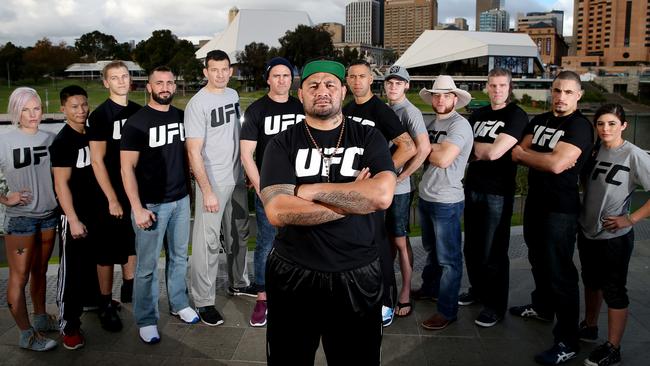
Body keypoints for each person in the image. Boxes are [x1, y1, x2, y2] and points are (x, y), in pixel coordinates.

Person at [260, 60, 396, 365]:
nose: (322, 91)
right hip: (294, 271)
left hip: (357, 270)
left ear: (343, 91)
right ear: (302, 93)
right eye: (313, 85)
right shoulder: (282, 143)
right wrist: (353, 200)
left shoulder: (368, 137)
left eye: (330, 84)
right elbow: (278, 211)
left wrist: (308, 191)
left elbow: (382, 195)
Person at [510, 70, 594, 365]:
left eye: (568, 92)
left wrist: (529, 156)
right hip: (536, 203)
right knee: (537, 258)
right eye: (557, 91)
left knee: (561, 272)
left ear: (579, 95)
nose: (561, 97)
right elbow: (516, 152)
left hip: (561, 209)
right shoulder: (540, 120)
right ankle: (543, 307)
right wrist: (536, 157)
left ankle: (567, 340)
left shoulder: (581, 126)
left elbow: (557, 164)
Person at [120, 66, 199, 344]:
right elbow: (126, 169)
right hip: (150, 205)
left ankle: (179, 304)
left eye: (169, 82)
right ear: (149, 87)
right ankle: (146, 318)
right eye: (159, 83)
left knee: (179, 258)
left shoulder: (181, 117)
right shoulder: (136, 123)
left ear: (174, 86)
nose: (165, 86)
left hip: (179, 201)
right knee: (147, 266)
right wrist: (137, 208)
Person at [343, 59, 416, 326]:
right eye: (352, 76)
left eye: (362, 76)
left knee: (379, 244)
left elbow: (408, 147)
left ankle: (386, 301)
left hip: (371, 189)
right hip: (350, 189)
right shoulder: (347, 109)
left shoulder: (381, 111)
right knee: (354, 243)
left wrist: (380, 172)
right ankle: (356, 296)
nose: (357, 81)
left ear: (371, 79)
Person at [577, 104, 650, 366]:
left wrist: (629, 219)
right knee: (591, 281)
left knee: (614, 290)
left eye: (611, 123)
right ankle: (589, 325)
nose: (605, 128)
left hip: (614, 237)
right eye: (600, 124)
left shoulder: (634, 155)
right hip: (588, 231)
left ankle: (613, 347)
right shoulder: (595, 150)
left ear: (623, 125)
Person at [185, 49, 253, 327]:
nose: (221, 74)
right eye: (215, 69)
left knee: (239, 232)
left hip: (236, 177)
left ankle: (238, 283)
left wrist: (246, 169)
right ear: (206, 72)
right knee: (208, 243)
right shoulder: (197, 104)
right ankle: (203, 301)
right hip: (212, 181)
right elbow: (193, 152)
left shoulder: (233, 95)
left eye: (225, 69)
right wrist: (207, 190)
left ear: (230, 70)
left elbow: (236, 135)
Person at [460, 67, 529, 328]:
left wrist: (476, 150)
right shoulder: (478, 114)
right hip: (473, 187)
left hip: (498, 193)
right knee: (473, 248)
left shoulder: (516, 115)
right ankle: (477, 291)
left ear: (509, 88)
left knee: (494, 252)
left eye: (502, 85)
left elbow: (495, 153)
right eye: (493, 85)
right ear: (487, 87)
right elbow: (462, 150)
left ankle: (495, 306)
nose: (497, 90)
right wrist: (476, 150)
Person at [240, 56, 304, 327]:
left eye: (286, 76)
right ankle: (263, 297)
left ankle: (296, 292)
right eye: (276, 75)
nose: (281, 80)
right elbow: (246, 155)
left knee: (300, 241)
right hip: (270, 189)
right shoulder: (257, 110)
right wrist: (262, 190)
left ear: (292, 79)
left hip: (302, 188)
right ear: (267, 79)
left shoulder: (301, 107)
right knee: (266, 243)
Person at [0, 87, 58, 351]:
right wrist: (5, 198)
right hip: (21, 219)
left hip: (48, 216)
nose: (32, 114)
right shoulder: (5, 140)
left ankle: (41, 317)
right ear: (16, 111)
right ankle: (26, 334)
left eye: (36, 108)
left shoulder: (51, 137)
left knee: (41, 270)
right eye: (26, 109)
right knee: (19, 276)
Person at [51, 85, 108, 349]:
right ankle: (69, 324)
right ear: (63, 108)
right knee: (71, 272)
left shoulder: (91, 133)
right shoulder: (62, 142)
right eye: (74, 106)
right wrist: (72, 218)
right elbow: (61, 184)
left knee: (94, 260)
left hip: (95, 211)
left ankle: (95, 300)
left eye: (84, 104)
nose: (81, 110)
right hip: (74, 215)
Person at [415, 75, 473, 331]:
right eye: (437, 95)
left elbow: (444, 159)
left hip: (446, 200)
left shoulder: (460, 125)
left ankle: (447, 311)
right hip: (427, 195)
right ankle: (430, 289)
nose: (440, 99)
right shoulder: (431, 123)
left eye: (446, 95)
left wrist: (425, 148)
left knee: (449, 259)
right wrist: (432, 147)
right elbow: (429, 152)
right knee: (432, 251)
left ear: (455, 99)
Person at [88, 60, 141, 306]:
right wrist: (111, 198)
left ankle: (130, 287)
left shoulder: (139, 112)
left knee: (131, 242)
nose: (121, 81)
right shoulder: (100, 116)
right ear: (106, 82)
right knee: (107, 250)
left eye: (124, 76)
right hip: (109, 192)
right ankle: (105, 301)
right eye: (115, 77)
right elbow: (97, 162)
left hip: (135, 190)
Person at [382, 65, 430, 317]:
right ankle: (387, 287)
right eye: (390, 82)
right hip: (383, 185)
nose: (393, 86)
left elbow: (423, 148)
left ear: (407, 86)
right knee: (386, 239)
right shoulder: (386, 108)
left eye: (398, 83)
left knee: (400, 240)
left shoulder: (410, 112)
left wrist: (403, 175)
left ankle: (405, 292)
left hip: (399, 189)